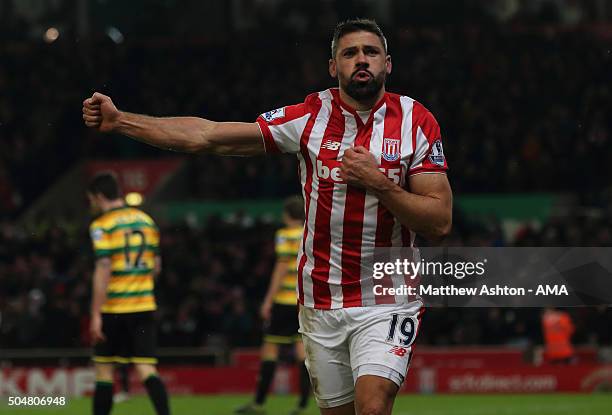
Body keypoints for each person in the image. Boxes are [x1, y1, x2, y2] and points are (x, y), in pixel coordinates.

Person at [83, 18, 452, 415]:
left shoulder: (417, 121)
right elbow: (207, 135)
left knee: (373, 406)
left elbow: (439, 221)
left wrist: (380, 184)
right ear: (333, 67)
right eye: (349, 53)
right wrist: (122, 121)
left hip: (387, 296)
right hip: (320, 301)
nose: (361, 61)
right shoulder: (310, 116)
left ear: (388, 63)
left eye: (370, 52)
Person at [87, 172, 171, 415]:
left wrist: (95, 314)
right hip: (144, 306)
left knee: (104, 370)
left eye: (91, 199)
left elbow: (103, 268)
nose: (91, 204)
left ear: (99, 196)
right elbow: (156, 267)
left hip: (113, 309)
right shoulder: (146, 220)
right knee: (146, 368)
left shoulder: (102, 226)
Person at [236, 195, 310, 415]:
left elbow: (282, 266)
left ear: (287, 215)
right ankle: (303, 405)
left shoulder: (284, 235)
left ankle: (258, 403)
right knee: (302, 353)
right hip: (303, 302)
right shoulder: (309, 233)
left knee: (269, 350)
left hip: (283, 302)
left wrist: (268, 299)